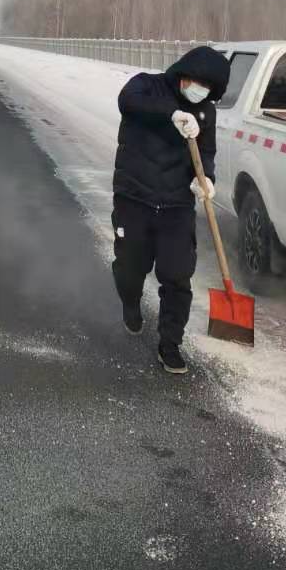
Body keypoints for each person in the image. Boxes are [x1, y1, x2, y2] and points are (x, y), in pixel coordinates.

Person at [111, 45, 231, 375]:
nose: (199, 89)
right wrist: (172, 114)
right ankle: (131, 303)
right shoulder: (146, 86)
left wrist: (206, 179)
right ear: (182, 73)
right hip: (134, 197)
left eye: (207, 86)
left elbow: (206, 152)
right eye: (195, 81)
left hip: (177, 204)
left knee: (177, 276)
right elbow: (128, 101)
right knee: (130, 268)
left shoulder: (206, 112)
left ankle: (170, 344)